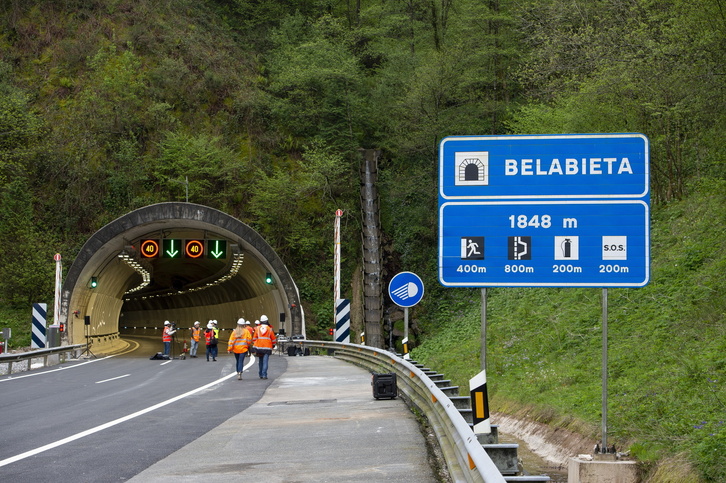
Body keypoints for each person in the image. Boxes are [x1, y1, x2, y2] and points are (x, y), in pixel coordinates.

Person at [252, 314, 276, 379]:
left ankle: (260, 374)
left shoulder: (257, 328)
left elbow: (254, 338)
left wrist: (256, 343)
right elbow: (273, 338)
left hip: (259, 347)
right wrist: (273, 344)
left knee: (260, 361)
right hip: (267, 347)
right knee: (265, 361)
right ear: (267, 321)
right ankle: (264, 374)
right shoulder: (269, 329)